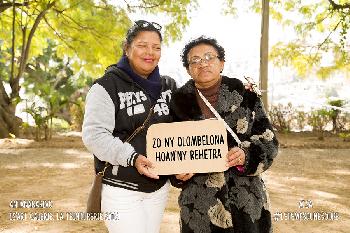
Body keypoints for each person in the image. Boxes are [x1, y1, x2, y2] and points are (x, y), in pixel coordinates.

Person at [170, 36, 279, 233]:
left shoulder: (247, 96)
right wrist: (177, 173)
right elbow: (168, 150)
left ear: (221, 63)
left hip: (247, 203)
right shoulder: (177, 104)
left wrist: (246, 156)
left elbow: (269, 142)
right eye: (194, 60)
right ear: (188, 69)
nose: (202, 63)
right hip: (199, 207)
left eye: (209, 57)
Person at [82, 20, 177, 233]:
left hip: (159, 188)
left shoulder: (169, 86)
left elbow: (183, 127)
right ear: (127, 48)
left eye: (156, 47)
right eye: (142, 45)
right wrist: (133, 158)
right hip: (120, 188)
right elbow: (94, 135)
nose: (150, 52)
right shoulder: (106, 86)